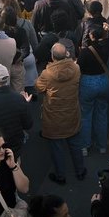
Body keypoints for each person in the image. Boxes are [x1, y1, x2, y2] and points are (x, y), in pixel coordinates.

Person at [35, 42, 86, 184]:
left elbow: (38, 88)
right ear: (66, 54)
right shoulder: (76, 68)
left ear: (52, 56)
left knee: (57, 148)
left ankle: (60, 176)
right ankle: (80, 171)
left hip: (54, 116)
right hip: (72, 112)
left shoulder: (47, 74)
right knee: (75, 144)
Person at [77, 26, 109, 155]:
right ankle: (102, 145)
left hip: (87, 83)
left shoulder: (85, 52)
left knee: (85, 115)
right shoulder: (106, 48)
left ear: (91, 36)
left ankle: (85, 146)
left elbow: (79, 67)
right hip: (103, 81)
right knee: (102, 114)